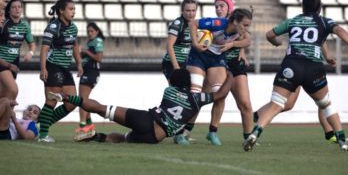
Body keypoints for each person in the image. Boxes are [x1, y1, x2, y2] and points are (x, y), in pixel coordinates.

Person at [243, 0, 348, 152]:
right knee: (326, 105)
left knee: (276, 104)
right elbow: (340, 31)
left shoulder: (293, 21)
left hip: (291, 65)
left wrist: (275, 42)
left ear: (302, 7)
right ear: (319, 7)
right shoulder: (324, 22)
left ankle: (255, 133)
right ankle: (342, 140)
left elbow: (269, 34)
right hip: (313, 67)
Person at [46, 68, 233, 144]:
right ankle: (96, 137)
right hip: (155, 138)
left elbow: (173, 90)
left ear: (174, 82)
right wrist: (232, 74)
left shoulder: (169, 92)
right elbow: (221, 94)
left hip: (147, 120)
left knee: (103, 109)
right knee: (125, 139)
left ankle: (66, 97)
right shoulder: (197, 99)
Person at [179, 7, 253, 146]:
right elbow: (193, 23)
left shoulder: (240, 31)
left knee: (220, 94)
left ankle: (212, 132)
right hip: (198, 56)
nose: (246, 29)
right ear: (235, 22)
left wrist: (232, 44)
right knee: (195, 93)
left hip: (216, 59)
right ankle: (183, 132)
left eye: (248, 25)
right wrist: (195, 43)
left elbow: (248, 41)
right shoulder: (218, 23)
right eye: (245, 25)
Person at [253, 43, 342, 143]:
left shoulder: (318, 28)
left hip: (310, 66)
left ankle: (329, 134)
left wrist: (327, 56)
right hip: (299, 65)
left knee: (322, 101)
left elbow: (323, 39)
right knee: (289, 104)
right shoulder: (313, 27)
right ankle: (255, 116)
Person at [37, 0, 83, 143]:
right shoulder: (52, 27)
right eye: (70, 9)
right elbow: (44, 49)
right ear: (61, 11)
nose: (73, 12)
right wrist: (43, 68)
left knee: (71, 103)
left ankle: (43, 124)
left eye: (74, 9)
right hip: (53, 66)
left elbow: (75, 46)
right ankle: (43, 136)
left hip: (65, 68)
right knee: (51, 101)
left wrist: (79, 64)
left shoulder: (73, 27)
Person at [0, 0, 36, 103]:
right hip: (1, 62)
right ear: (9, 10)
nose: (17, 9)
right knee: (13, 90)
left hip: (14, 63)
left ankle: (2, 119)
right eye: (14, 7)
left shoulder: (25, 25)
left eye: (19, 7)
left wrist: (30, 53)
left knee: (4, 98)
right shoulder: (3, 23)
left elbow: (32, 44)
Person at [74, 22, 105, 140]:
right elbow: (85, 57)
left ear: (97, 31)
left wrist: (86, 52)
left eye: (92, 31)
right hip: (87, 72)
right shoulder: (90, 42)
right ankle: (89, 125)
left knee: (82, 100)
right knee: (84, 100)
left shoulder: (98, 41)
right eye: (88, 31)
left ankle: (83, 126)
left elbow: (99, 58)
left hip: (92, 72)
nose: (90, 33)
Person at [162, 0, 197, 80]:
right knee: (175, 90)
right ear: (182, 11)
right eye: (188, 10)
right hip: (172, 63)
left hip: (186, 63)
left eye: (193, 10)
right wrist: (176, 67)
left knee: (187, 90)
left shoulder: (195, 24)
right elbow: (169, 46)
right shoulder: (178, 24)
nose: (191, 14)